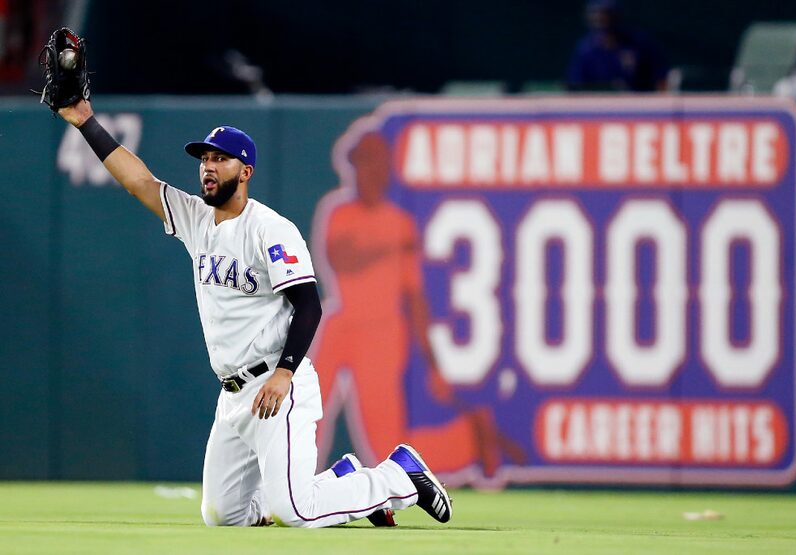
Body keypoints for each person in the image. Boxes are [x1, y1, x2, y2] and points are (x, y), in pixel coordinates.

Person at [54, 99, 452, 528]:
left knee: (292, 512)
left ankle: (399, 477)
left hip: (277, 383)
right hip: (233, 393)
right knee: (222, 516)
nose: (208, 167)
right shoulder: (196, 219)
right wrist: (85, 122)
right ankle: (342, 479)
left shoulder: (270, 229)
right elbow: (139, 182)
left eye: (220, 159)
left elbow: (309, 304)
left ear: (245, 172)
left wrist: (284, 374)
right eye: (204, 159)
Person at [313, 132, 526, 479]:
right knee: (307, 406)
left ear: (384, 169)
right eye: (359, 165)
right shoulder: (340, 212)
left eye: (370, 164)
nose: (363, 173)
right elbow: (344, 258)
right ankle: (295, 480)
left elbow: (415, 300)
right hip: (343, 321)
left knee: (385, 449)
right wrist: (391, 248)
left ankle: (466, 442)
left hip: (382, 333)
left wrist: (433, 364)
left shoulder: (400, 221)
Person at [566, 0, 670, 92]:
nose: (601, 19)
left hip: (639, 106)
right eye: (597, 14)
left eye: (607, 14)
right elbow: (576, 86)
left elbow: (661, 80)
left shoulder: (639, 43)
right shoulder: (586, 48)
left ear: (616, 16)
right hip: (599, 107)